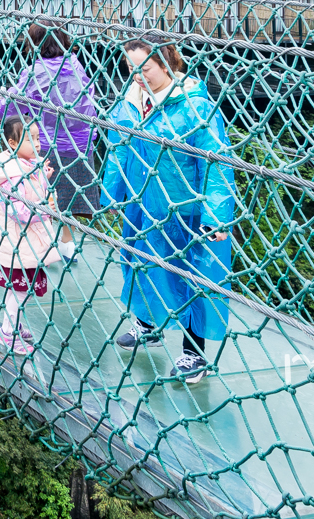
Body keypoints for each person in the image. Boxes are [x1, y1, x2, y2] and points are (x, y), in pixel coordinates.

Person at [100, 39, 239, 386]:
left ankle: (195, 351)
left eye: (143, 69)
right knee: (140, 261)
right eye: (131, 70)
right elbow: (119, 149)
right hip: (143, 202)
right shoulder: (132, 102)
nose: (136, 77)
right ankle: (148, 326)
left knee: (193, 276)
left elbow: (216, 158)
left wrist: (216, 215)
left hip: (185, 209)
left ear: (166, 65)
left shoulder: (194, 105)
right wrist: (111, 194)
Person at [0, 23, 100, 259]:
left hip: (47, 143)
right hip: (80, 146)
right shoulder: (76, 66)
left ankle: (43, 245)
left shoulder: (37, 71)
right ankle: (67, 245)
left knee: (41, 195)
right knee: (67, 197)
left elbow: (16, 102)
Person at [0, 114, 60, 355]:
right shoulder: (11, 174)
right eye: (30, 139)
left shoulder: (27, 165)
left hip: (26, 243)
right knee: (19, 291)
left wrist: (43, 178)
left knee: (19, 289)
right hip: (16, 242)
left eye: (38, 138)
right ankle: (7, 333)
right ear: (11, 143)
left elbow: (32, 192)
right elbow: (20, 212)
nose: (37, 144)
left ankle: (13, 325)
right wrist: (45, 206)